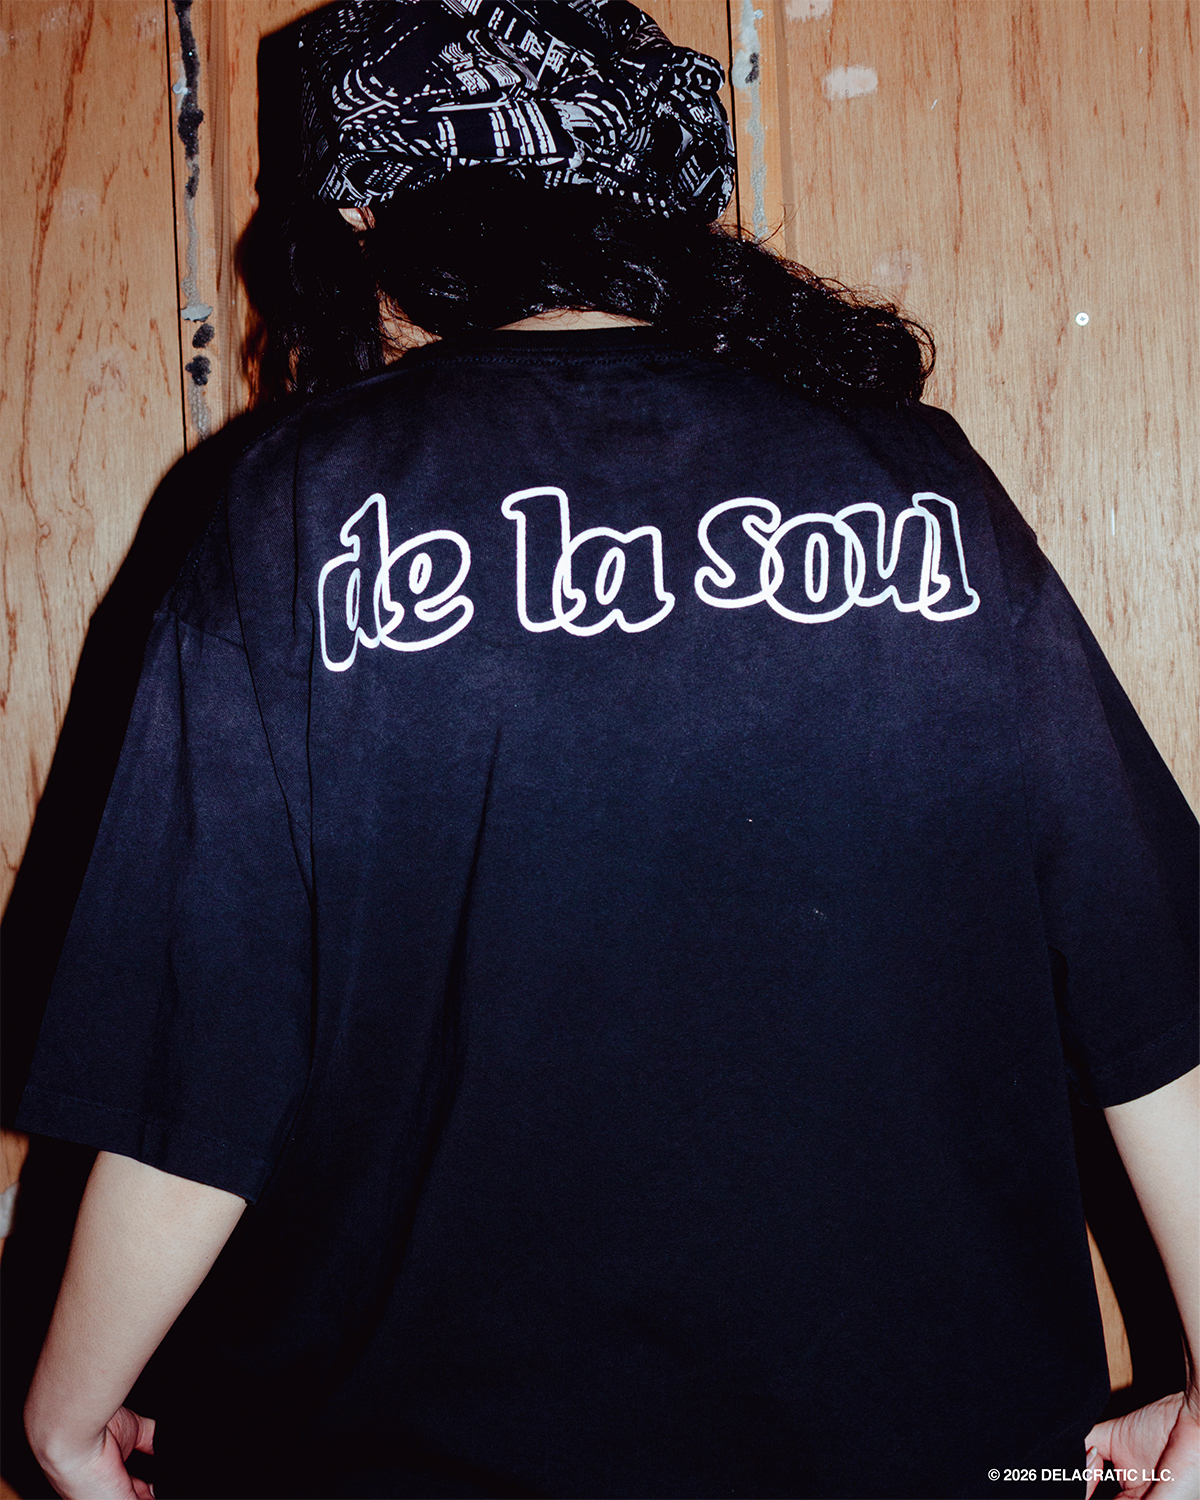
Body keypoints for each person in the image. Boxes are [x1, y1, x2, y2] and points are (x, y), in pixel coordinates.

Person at [16, 2, 1198, 1497]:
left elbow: (202, 1062)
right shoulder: (920, 488)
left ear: (372, 213)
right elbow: (1157, 990)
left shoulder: (297, 505)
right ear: (651, 201)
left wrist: (69, 1411)